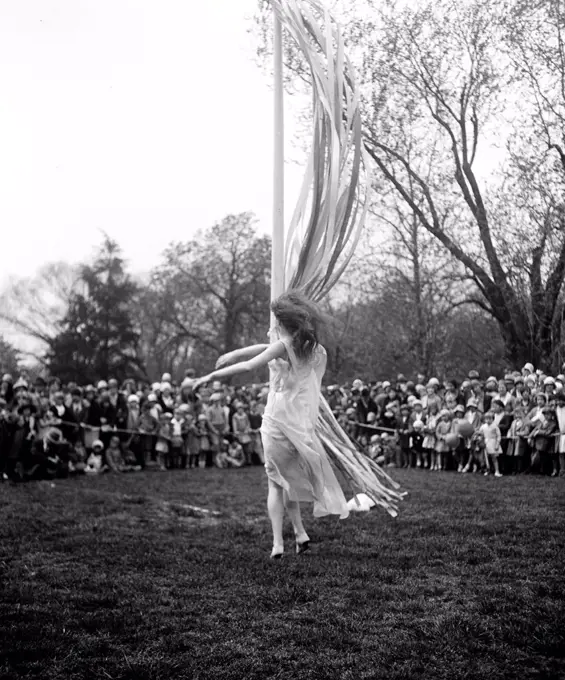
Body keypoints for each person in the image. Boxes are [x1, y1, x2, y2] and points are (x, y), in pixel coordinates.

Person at [192, 291, 350, 559]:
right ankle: (300, 534)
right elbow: (263, 350)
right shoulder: (312, 348)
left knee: (275, 483)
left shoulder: (285, 345)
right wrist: (234, 353)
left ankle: (278, 543)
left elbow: (252, 365)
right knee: (285, 479)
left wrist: (210, 376)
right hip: (297, 427)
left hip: (277, 423)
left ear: (282, 321)